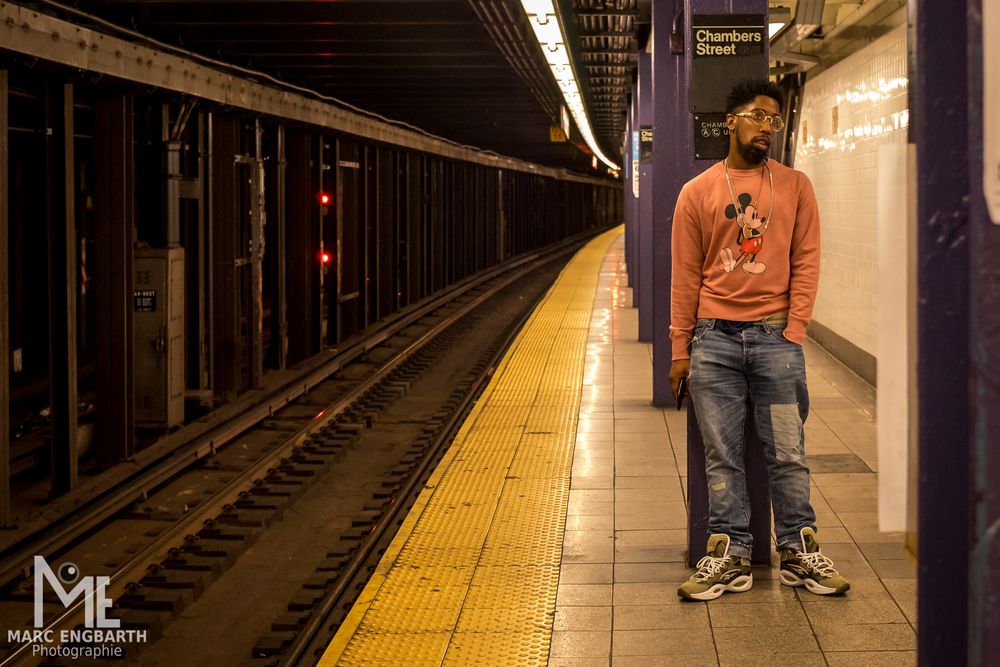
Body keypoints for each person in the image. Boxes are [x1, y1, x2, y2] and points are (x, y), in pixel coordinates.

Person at [670, 79, 850, 601]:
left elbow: (807, 261)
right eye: (757, 116)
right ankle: (730, 556)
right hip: (714, 344)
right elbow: (685, 277)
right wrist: (681, 349)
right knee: (721, 456)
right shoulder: (697, 193)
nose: (767, 127)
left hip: (776, 340)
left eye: (774, 120)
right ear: (731, 121)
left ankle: (798, 550)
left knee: (788, 453)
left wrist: (794, 329)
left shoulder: (796, 186)